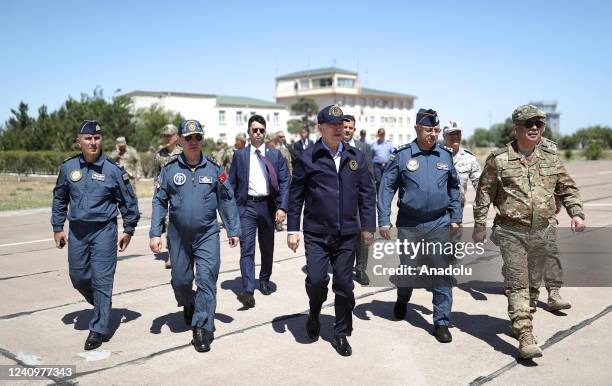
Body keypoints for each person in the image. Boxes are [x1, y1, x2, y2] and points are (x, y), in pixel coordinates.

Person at [472, 104, 585, 359]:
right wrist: (479, 225)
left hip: (543, 230)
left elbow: (567, 187)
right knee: (518, 282)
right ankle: (525, 334)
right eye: (529, 124)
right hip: (511, 231)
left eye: (539, 124)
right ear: (516, 128)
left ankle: (523, 317)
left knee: (534, 283)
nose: (535, 128)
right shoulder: (499, 159)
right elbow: (484, 194)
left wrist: (576, 213)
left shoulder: (550, 156)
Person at [287, 105, 376, 357]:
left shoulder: (356, 157)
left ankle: (340, 333)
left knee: (345, 285)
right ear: (321, 127)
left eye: (342, 124)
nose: (339, 129)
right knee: (316, 280)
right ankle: (314, 311)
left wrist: (368, 227)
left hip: (348, 233)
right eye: (333, 125)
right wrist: (293, 229)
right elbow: (296, 197)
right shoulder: (308, 157)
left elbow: (367, 196)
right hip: (317, 233)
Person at [150, 119, 241, 353]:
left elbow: (227, 199)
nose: (193, 141)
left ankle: (201, 327)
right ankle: (188, 301)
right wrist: (155, 233)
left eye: (197, 137)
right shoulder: (169, 169)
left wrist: (233, 229)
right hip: (178, 235)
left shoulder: (213, 167)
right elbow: (159, 201)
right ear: (180, 140)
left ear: (202, 140)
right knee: (181, 281)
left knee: (207, 279)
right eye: (188, 137)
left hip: (207, 234)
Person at [51, 120, 140, 350]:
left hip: (104, 231)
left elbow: (128, 202)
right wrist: (58, 227)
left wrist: (128, 229)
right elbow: (60, 198)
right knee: (78, 277)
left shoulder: (112, 170)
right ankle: (103, 305)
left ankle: (99, 328)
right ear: (78, 141)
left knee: (102, 280)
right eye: (88, 138)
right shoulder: (69, 168)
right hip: (78, 232)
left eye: (97, 138)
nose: (93, 142)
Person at [378, 108, 461, 344]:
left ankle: (441, 321)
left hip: (438, 222)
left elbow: (453, 187)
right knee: (409, 269)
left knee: (441, 271)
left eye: (436, 130)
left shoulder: (445, 156)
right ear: (416, 129)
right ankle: (403, 298)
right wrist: (384, 219)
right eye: (428, 130)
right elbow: (386, 188)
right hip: (409, 224)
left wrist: (455, 215)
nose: (433, 134)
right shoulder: (402, 155)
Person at [229, 115, 289, 308]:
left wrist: (282, 206)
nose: (258, 133)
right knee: (247, 249)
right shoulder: (239, 156)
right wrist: (230, 213)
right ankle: (247, 289)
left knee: (267, 247)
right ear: (248, 132)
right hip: (247, 207)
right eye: (254, 130)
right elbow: (231, 184)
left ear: (265, 132)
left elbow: (284, 182)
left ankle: (264, 279)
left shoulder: (275, 155)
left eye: (261, 130)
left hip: (268, 206)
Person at [343, 115, 374, 285]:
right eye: (345, 126)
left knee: (363, 234)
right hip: (342, 201)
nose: (347, 130)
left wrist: (370, 200)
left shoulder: (364, 148)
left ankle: (361, 268)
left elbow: (370, 175)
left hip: (360, 199)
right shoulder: (335, 147)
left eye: (350, 127)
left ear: (354, 129)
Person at [153, 124, 183, 269]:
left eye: (169, 135)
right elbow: (157, 176)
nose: (166, 138)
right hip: (167, 195)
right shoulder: (159, 155)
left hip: (182, 194)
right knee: (168, 224)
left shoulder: (183, 152)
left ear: (176, 137)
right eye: (164, 135)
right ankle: (172, 254)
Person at [442, 120, 481, 208]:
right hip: (437, 209)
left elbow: (480, 185)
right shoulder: (435, 155)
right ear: (444, 136)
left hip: (457, 209)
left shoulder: (469, 158)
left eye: (458, 133)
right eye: (451, 134)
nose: (455, 136)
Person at [370, 128, 395, 193]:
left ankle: (384, 194)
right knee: (378, 181)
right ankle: (378, 195)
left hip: (387, 165)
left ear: (384, 134)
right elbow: (371, 156)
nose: (381, 136)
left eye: (382, 134)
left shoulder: (389, 144)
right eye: (380, 134)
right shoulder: (374, 145)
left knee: (386, 181)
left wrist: (390, 162)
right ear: (378, 135)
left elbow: (393, 154)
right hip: (377, 165)